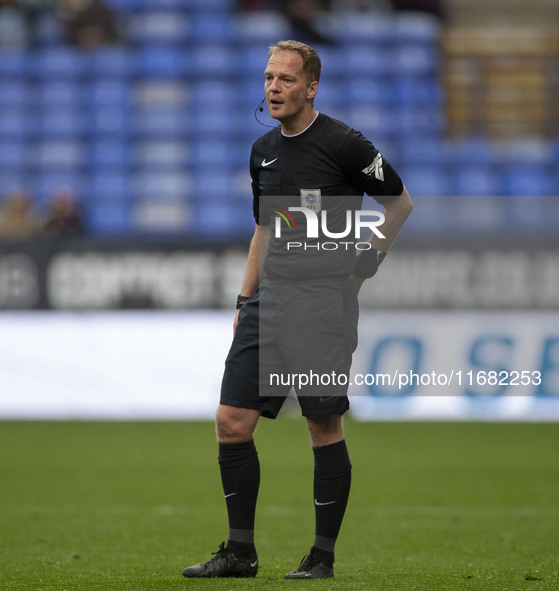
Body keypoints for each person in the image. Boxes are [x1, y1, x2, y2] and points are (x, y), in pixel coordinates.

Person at [182, 40, 413, 580]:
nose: (274, 88)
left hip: (321, 307)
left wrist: (362, 267)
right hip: (269, 304)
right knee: (231, 421)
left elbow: (400, 203)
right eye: (268, 78)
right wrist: (244, 299)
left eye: (286, 79)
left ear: (311, 87)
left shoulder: (345, 144)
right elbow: (263, 229)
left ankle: (322, 557)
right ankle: (240, 552)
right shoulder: (262, 150)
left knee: (321, 424)